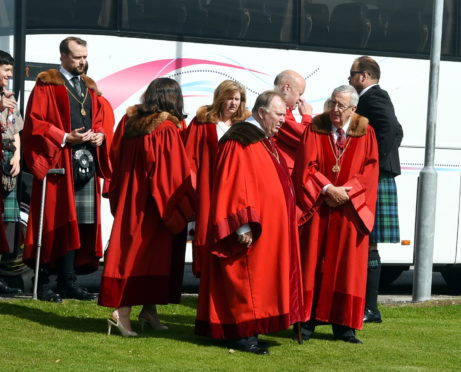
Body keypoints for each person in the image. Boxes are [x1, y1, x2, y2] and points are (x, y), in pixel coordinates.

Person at [195, 91, 304, 355]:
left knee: (257, 281)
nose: (283, 120)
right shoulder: (239, 140)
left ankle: (251, 329)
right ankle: (242, 336)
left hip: (266, 229)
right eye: (279, 114)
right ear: (262, 112)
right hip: (249, 228)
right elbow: (234, 184)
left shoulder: (262, 140)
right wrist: (241, 225)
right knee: (246, 279)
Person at [98, 78, 194, 337]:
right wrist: (184, 205)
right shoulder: (165, 129)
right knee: (136, 257)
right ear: (172, 99)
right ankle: (122, 314)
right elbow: (169, 175)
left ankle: (148, 311)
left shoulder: (129, 122)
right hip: (151, 205)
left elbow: (115, 159)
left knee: (147, 256)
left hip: (131, 197)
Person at [22, 36, 112, 302]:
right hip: (58, 164)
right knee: (54, 221)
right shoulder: (46, 84)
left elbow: (101, 120)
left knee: (78, 222)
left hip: (85, 163)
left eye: (84, 56)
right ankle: (45, 284)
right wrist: (63, 136)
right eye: (77, 57)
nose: (83, 62)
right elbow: (35, 123)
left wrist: (101, 136)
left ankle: (68, 281)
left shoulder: (89, 88)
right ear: (62, 57)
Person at [292, 85, 379, 344]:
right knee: (312, 264)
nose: (335, 110)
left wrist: (347, 191)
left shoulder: (366, 132)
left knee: (346, 269)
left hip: (349, 211)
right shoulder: (315, 128)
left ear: (354, 108)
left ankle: (344, 327)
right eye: (332, 103)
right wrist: (327, 188)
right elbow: (304, 166)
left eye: (341, 105)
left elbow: (370, 170)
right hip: (319, 207)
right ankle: (307, 323)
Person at [349, 56, 403, 323]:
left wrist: (373, 163)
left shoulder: (373, 98)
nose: (349, 80)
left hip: (376, 178)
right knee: (368, 242)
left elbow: (392, 130)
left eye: (352, 75)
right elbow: (398, 130)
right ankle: (368, 307)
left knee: (369, 243)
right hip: (378, 176)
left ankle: (371, 308)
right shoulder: (376, 97)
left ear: (365, 75)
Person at [184, 80, 250, 277]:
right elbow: (190, 157)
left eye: (237, 99)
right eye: (229, 98)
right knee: (208, 230)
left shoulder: (245, 125)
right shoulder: (203, 122)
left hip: (234, 188)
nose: (233, 103)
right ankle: (207, 278)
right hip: (208, 187)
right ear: (220, 98)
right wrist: (195, 187)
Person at [0, 50, 23, 296]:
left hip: (8, 160)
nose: (9, 76)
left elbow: (16, 130)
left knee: (8, 222)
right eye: (6, 70)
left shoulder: (9, 97)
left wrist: (17, 155)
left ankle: (3, 276)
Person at [273, 69, 313, 174]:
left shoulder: (284, 110)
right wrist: (307, 116)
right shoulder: (277, 109)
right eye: (299, 94)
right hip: (283, 171)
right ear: (287, 88)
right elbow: (306, 139)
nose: (300, 99)